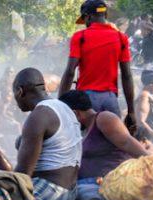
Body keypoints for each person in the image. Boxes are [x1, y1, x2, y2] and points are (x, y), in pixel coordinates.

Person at [59, 89, 149, 200]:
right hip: (92, 183)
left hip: (110, 181)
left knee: (69, 194)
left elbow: (127, 143)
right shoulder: (83, 131)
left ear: (76, 113)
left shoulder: (103, 119)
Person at [58, 0, 136, 133]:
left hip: (86, 101)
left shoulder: (80, 37)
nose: (85, 24)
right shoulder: (120, 37)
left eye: (84, 20)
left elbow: (70, 72)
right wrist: (131, 111)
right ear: (104, 15)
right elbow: (127, 75)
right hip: (110, 99)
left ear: (88, 16)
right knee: (115, 143)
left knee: (85, 141)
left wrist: (60, 103)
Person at [14, 68, 82, 200]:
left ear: (20, 91)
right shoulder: (62, 106)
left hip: (52, 191)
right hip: (71, 190)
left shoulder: (38, 116)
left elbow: (23, 175)